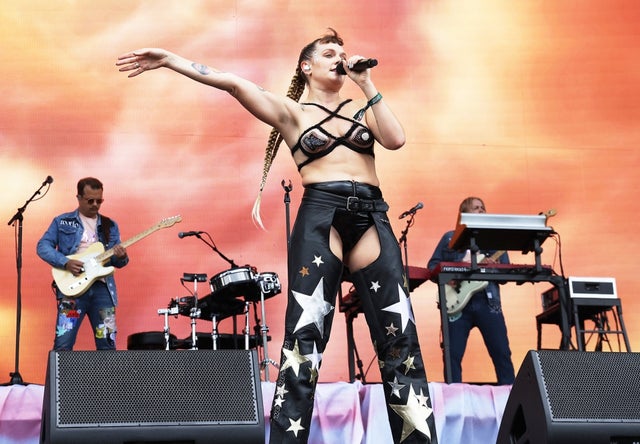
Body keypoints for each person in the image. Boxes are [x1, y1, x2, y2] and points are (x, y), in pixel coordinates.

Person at [116, 29, 437, 443]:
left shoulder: (363, 108)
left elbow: (396, 139)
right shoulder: (291, 112)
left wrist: (366, 82)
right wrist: (170, 60)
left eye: (342, 53)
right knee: (305, 337)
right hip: (322, 213)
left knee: (399, 334)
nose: (339, 58)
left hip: (371, 213)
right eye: (329, 53)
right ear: (306, 67)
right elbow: (233, 83)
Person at [427, 196, 515, 385]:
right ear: (464, 213)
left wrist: (494, 267)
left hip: (488, 303)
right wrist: (451, 276)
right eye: (476, 208)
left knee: (501, 353)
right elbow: (432, 266)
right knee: (452, 355)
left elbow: (506, 275)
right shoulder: (449, 238)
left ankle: (511, 396)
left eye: (483, 208)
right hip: (457, 306)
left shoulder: (495, 240)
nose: (481, 210)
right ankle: (453, 397)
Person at [37, 177, 129, 351]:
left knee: (107, 345)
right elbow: (43, 246)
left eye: (99, 201)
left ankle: (107, 372)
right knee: (63, 344)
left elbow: (117, 262)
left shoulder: (110, 225)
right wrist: (65, 262)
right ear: (78, 198)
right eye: (90, 200)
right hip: (72, 291)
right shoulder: (62, 221)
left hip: (102, 290)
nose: (95, 205)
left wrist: (121, 256)